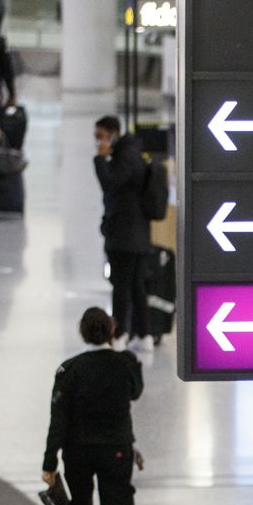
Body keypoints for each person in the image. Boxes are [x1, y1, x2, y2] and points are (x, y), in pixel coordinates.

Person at [41, 307, 144, 505]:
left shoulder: (69, 370)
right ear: (112, 330)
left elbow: (58, 420)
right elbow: (136, 392)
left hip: (78, 451)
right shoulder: (126, 363)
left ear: (82, 332)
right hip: (117, 449)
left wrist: (49, 463)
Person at [93, 116, 153, 351]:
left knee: (121, 286)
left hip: (124, 235)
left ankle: (119, 334)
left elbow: (109, 184)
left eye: (100, 136)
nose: (98, 142)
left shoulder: (125, 157)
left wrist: (100, 159)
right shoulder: (132, 153)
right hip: (136, 233)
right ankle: (144, 334)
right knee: (136, 285)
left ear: (112, 133)